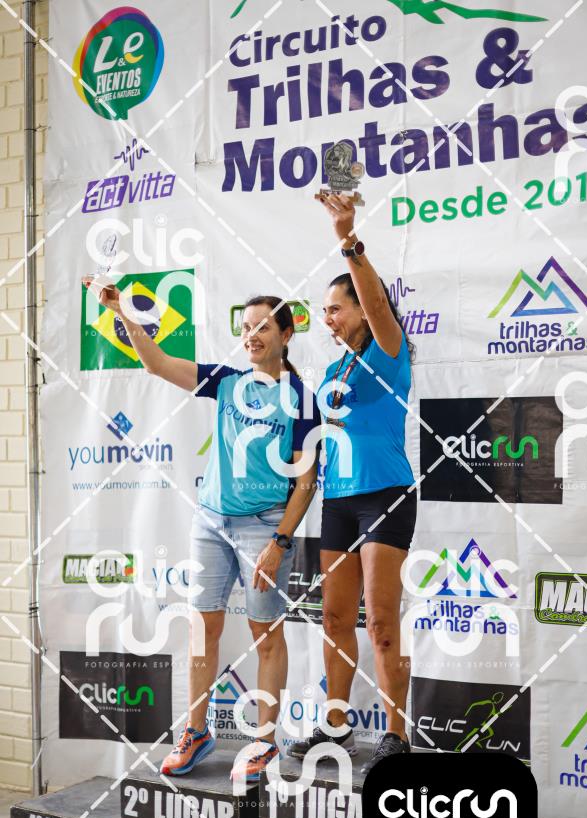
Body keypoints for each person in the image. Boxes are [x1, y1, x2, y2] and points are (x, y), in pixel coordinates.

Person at [85, 279, 320, 782]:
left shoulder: (301, 398)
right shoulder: (227, 382)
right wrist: (123, 311)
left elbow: (306, 481)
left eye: (262, 327)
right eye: (245, 327)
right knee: (202, 629)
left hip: (265, 527)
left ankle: (264, 743)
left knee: (266, 635)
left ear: (286, 334)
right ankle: (196, 732)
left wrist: (280, 542)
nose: (251, 335)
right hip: (211, 521)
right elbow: (156, 364)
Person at [288, 194, 417, 775]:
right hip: (337, 500)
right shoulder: (336, 367)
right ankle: (336, 726)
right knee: (336, 620)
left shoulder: (390, 349)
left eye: (336, 309)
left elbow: (376, 300)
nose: (329, 319)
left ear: (363, 310)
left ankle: (395, 735)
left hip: (385, 496)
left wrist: (347, 237)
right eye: (324, 311)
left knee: (383, 624)